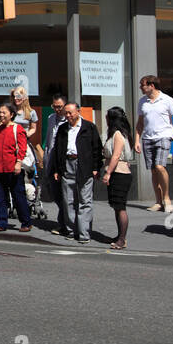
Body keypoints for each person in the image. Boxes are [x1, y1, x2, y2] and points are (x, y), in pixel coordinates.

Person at [50, 102, 103, 244]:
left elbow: (97, 148)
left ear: (78, 111)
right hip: (67, 164)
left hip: (84, 166)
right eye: (66, 113)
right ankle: (71, 230)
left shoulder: (89, 127)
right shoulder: (62, 129)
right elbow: (57, 150)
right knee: (68, 200)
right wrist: (56, 169)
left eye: (70, 113)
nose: (68, 116)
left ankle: (84, 233)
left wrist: (96, 167)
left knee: (85, 200)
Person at [134, 74, 173, 212]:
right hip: (147, 138)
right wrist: (137, 140)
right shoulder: (142, 101)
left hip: (164, 136)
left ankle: (167, 198)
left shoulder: (167, 100)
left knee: (160, 166)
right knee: (154, 170)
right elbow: (140, 123)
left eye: (142, 85)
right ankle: (158, 201)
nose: (140, 88)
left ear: (152, 86)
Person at [0, 103, 32, 233]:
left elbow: (22, 147)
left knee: (18, 196)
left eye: (3, 112)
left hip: (12, 168)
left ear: (11, 114)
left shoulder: (17, 129)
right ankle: (1, 223)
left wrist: (18, 163)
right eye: (0, 112)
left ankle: (26, 222)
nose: (0, 115)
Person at [101, 107, 135, 250]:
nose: (106, 119)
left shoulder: (118, 135)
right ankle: (119, 235)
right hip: (117, 173)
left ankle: (122, 239)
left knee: (120, 207)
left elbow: (116, 156)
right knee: (116, 206)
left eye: (107, 117)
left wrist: (108, 172)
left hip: (120, 174)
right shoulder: (116, 134)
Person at [42, 94, 69, 235]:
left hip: (64, 164)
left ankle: (66, 225)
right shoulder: (51, 118)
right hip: (51, 161)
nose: (57, 110)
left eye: (59, 107)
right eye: (54, 107)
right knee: (56, 194)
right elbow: (48, 140)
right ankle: (63, 222)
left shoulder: (70, 120)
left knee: (66, 195)